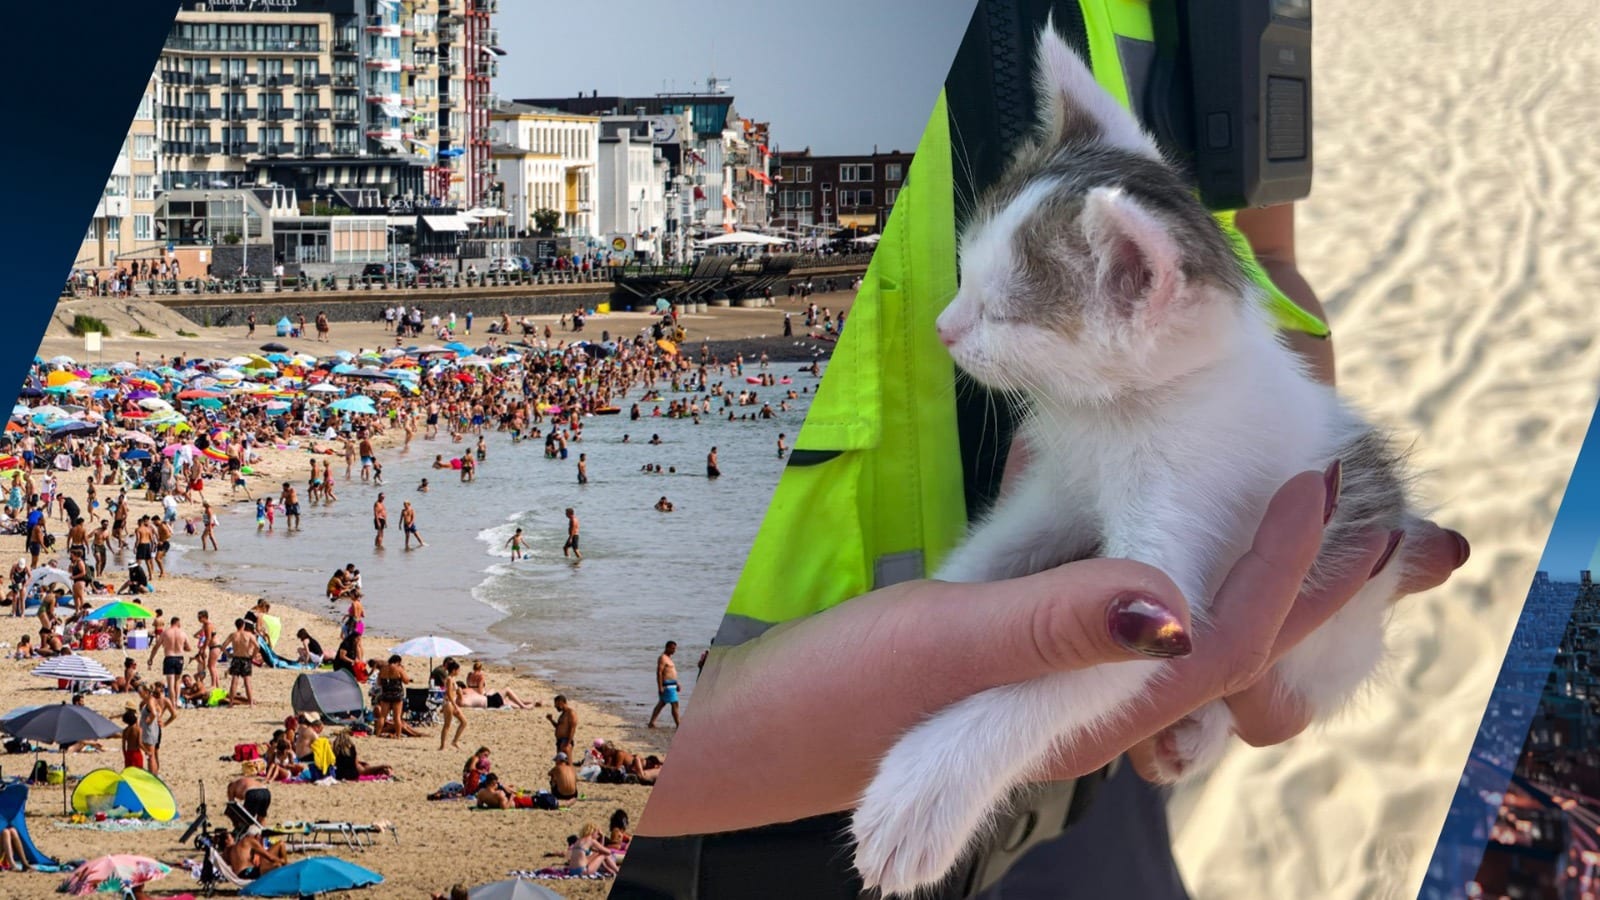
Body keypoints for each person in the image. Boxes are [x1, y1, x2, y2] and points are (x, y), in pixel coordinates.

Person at [148, 615, 191, 704]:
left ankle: (172, 703)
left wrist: (151, 658)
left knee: (170, 683)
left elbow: (156, 646)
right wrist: (181, 647)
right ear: (177, 623)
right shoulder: (182, 633)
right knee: (178, 681)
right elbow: (189, 648)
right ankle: (177, 701)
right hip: (179, 658)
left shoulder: (165, 633)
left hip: (169, 657)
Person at [647, 641, 680, 728]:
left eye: (675, 648)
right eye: (672, 648)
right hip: (667, 685)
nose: (674, 650)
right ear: (667, 647)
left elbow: (672, 673)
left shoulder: (669, 658)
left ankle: (651, 722)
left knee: (662, 703)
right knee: (675, 703)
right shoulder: (663, 658)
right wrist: (660, 687)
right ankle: (678, 724)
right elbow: (659, 672)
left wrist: (677, 683)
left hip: (672, 684)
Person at [438, 658, 465, 750]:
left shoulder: (453, 679)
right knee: (447, 725)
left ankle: (454, 741)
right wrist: (455, 705)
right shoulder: (449, 679)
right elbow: (448, 693)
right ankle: (442, 746)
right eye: (458, 670)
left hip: (451, 702)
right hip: (449, 703)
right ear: (454, 670)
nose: (459, 672)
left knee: (464, 722)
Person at [227, 619, 256, 706]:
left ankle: (231, 703)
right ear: (243, 625)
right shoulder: (249, 635)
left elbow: (223, 646)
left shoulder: (233, 635)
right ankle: (250, 703)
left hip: (236, 658)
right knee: (247, 682)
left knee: (234, 681)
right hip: (246, 658)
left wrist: (228, 654)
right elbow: (257, 647)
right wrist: (253, 656)